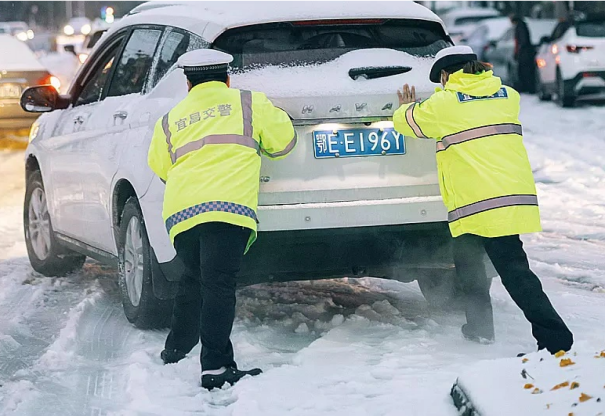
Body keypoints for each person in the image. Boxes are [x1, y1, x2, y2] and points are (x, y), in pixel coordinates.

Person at [392, 45, 573, 355]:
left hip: (477, 204)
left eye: (442, 80)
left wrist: (406, 106)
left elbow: (406, 123)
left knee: (501, 274)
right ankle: (479, 330)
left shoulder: (444, 104)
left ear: (447, 75)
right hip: (508, 199)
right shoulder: (508, 96)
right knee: (484, 267)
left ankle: (556, 339)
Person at [148, 49, 297, 390]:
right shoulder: (248, 102)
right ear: (227, 79)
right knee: (217, 284)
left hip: (182, 214)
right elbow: (284, 143)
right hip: (228, 208)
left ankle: (175, 349)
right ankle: (215, 366)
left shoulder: (171, 119)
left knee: (193, 278)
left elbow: (160, 167)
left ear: (188, 84)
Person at [509, 14, 536, 93]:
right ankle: (527, 87)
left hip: (524, 54)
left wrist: (518, 52)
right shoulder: (522, 26)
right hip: (526, 53)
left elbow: (521, 42)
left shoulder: (520, 27)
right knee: (525, 71)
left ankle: (527, 87)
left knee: (524, 71)